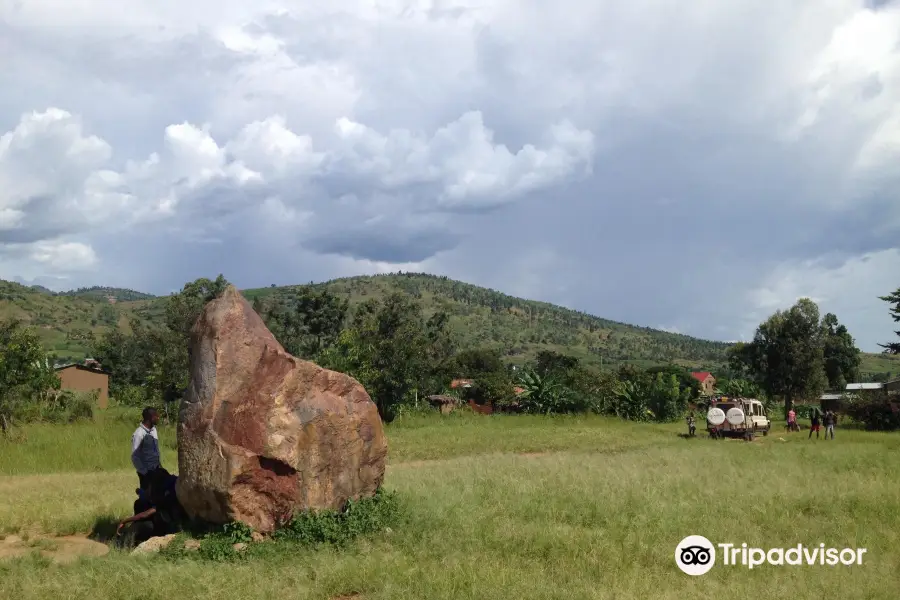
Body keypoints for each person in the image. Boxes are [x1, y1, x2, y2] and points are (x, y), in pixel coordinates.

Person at [117, 468, 183, 545]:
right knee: (139, 503)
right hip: (165, 517)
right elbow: (146, 496)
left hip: (170, 525)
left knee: (144, 526)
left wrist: (125, 521)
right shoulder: (169, 484)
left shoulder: (166, 494)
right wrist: (140, 491)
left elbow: (145, 515)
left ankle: (124, 543)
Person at [132, 407, 161, 492]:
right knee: (146, 498)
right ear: (150, 418)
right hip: (146, 473)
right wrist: (145, 473)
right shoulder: (139, 434)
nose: (158, 418)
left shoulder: (154, 430)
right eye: (156, 416)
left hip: (156, 469)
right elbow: (135, 457)